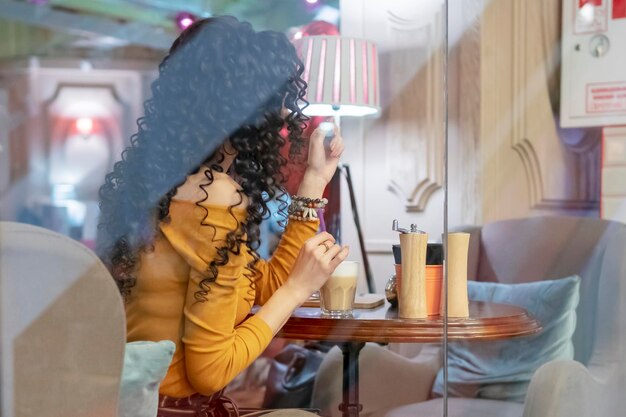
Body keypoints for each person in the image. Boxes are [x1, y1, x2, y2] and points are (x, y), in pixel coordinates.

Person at [97, 16, 349, 417]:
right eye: (276, 98)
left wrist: (315, 179)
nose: (286, 114)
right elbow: (210, 372)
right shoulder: (212, 199)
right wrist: (298, 290)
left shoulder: (156, 185)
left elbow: (262, 286)